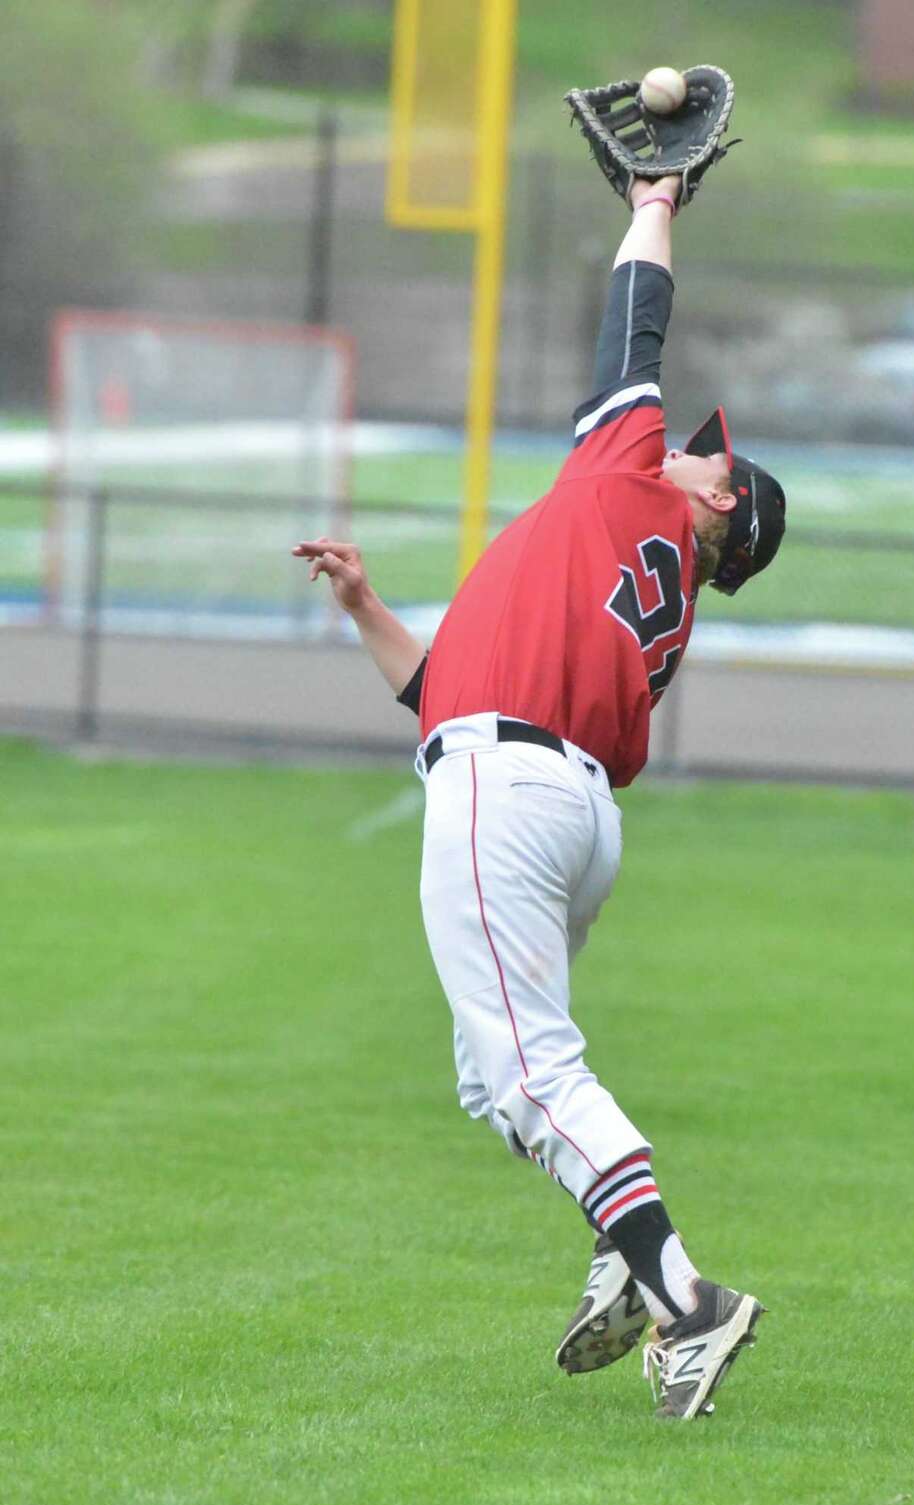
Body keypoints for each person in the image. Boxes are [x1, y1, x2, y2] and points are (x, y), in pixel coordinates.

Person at [293, 172, 787, 1420]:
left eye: (707, 454)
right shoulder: (645, 576)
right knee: (494, 1073)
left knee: (528, 1074)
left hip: (506, 791)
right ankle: (629, 1256)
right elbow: (446, 691)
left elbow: (633, 319)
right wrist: (366, 612)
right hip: (558, 802)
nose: (683, 440)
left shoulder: (626, 485)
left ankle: (685, 1299)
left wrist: (655, 199)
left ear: (718, 499)